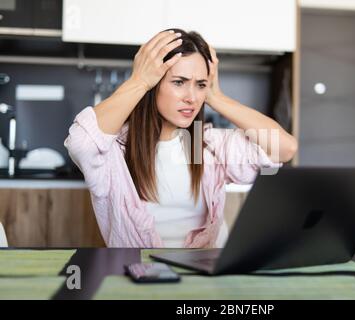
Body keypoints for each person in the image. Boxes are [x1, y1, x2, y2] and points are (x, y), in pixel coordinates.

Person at [64, 28, 298, 248]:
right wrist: (139, 82)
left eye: (200, 85)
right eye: (179, 82)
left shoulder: (206, 144)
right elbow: (81, 143)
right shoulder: (115, 149)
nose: (191, 97)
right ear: (154, 84)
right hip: (143, 278)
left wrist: (216, 97)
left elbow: (284, 148)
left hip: (206, 276)